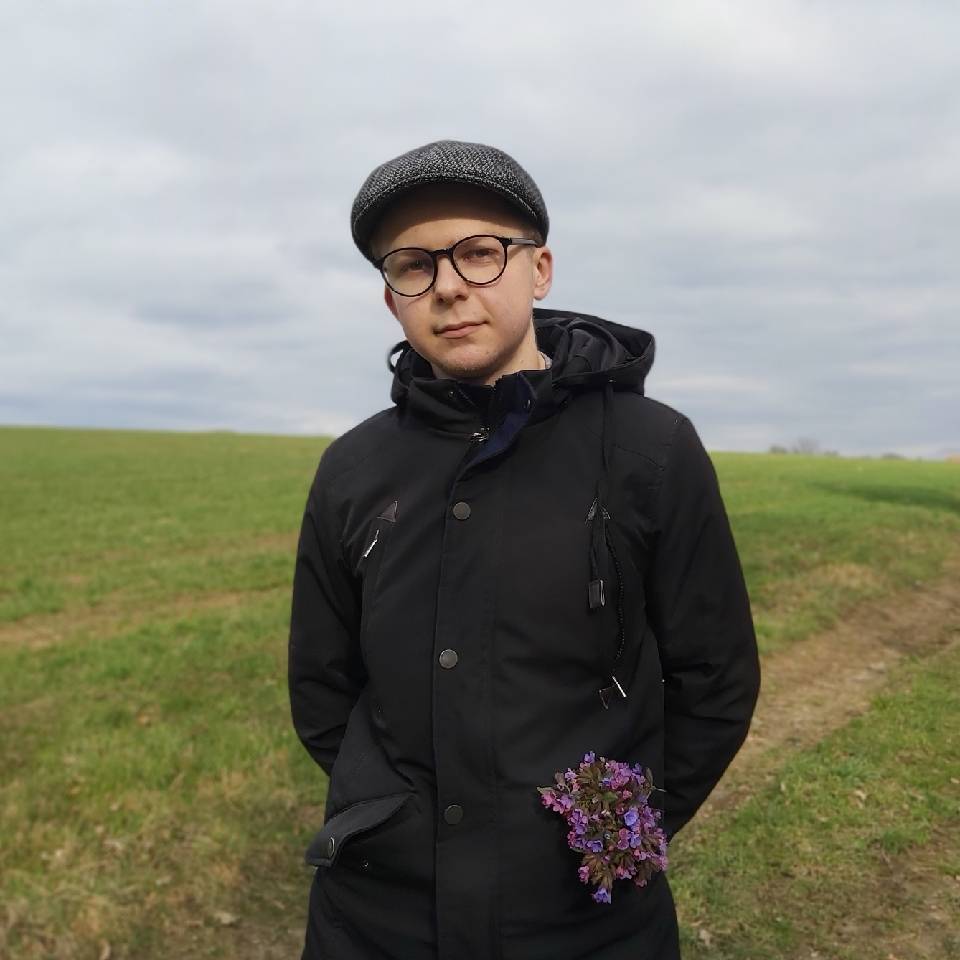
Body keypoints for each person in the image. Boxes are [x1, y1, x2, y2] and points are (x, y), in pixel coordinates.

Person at [288, 139, 761, 960]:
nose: (448, 288)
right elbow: (322, 688)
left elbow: (715, 680)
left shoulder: (650, 452)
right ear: (391, 299)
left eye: (479, 253)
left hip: (587, 925)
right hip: (375, 921)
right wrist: (387, 814)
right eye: (413, 266)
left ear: (539, 270)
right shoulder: (352, 471)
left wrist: (614, 835)